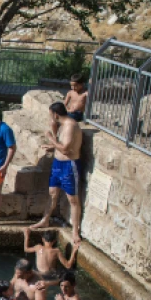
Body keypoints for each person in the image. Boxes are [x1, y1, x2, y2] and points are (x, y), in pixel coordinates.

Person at [31, 102, 85, 242]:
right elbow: (60, 145)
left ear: (56, 114)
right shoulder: (61, 126)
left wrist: (50, 137)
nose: (50, 118)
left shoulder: (70, 126)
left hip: (69, 165)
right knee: (52, 193)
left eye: (51, 115)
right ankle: (45, 219)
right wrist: (51, 145)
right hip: (57, 164)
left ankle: (75, 231)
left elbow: (66, 149)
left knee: (73, 199)